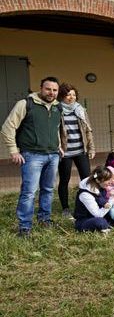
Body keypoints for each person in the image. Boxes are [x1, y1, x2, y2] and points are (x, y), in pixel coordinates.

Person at [2, 77, 62, 236]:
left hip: (53, 155)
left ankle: (44, 219)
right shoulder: (25, 104)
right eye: (48, 89)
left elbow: (55, 129)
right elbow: (8, 127)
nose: (51, 93)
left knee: (48, 189)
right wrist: (13, 150)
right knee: (29, 192)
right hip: (32, 155)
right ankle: (25, 226)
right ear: (41, 88)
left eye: (55, 90)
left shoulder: (58, 107)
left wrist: (59, 146)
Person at [57, 83, 95, 220]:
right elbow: (54, 131)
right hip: (65, 153)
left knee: (87, 179)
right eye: (68, 95)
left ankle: (86, 204)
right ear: (62, 96)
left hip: (81, 150)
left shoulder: (80, 110)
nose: (71, 97)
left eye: (73, 94)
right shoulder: (57, 109)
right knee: (64, 180)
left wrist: (91, 148)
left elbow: (88, 129)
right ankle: (65, 208)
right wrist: (58, 146)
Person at [73, 166, 114, 233]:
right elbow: (98, 214)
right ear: (98, 180)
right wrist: (111, 200)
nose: (110, 182)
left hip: (99, 214)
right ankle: (106, 225)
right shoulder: (85, 194)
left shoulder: (100, 186)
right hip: (85, 219)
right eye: (107, 180)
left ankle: (109, 223)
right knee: (100, 222)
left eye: (110, 179)